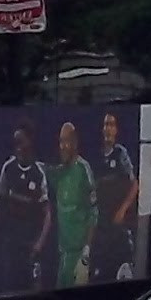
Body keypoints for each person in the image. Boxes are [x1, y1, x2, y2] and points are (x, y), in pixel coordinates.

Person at [0, 120, 51, 294]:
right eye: (15, 142)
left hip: (31, 241)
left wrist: (40, 242)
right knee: (11, 285)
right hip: (11, 240)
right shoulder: (8, 169)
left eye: (21, 141)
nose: (17, 146)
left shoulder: (38, 173)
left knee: (33, 288)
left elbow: (47, 214)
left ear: (30, 142)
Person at [88, 112, 139, 281]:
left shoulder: (120, 154)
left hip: (118, 223)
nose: (107, 129)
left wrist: (122, 210)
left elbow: (134, 185)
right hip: (100, 224)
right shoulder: (95, 156)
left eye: (111, 124)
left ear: (116, 130)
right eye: (105, 125)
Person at [50, 122, 97, 288]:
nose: (62, 146)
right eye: (60, 142)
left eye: (66, 141)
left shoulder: (83, 170)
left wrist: (86, 254)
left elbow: (93, 213)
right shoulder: (59, 173)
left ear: (75, 143)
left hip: (79, 256)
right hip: (64, 254)